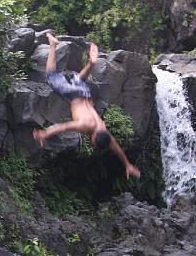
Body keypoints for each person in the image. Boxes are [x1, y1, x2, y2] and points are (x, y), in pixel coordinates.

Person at [33, 32, 141, 179]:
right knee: (51, 76)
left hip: (86, 94)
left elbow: (115, 147)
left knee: (80, 80)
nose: (91, 142)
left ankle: (91, 63)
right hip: (74, 95)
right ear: (94, 136)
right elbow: (62, 127)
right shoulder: (85, 126)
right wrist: (45, 133)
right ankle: (53, 44)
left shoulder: (103, 130)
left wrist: (127, 164)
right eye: (93, 141)